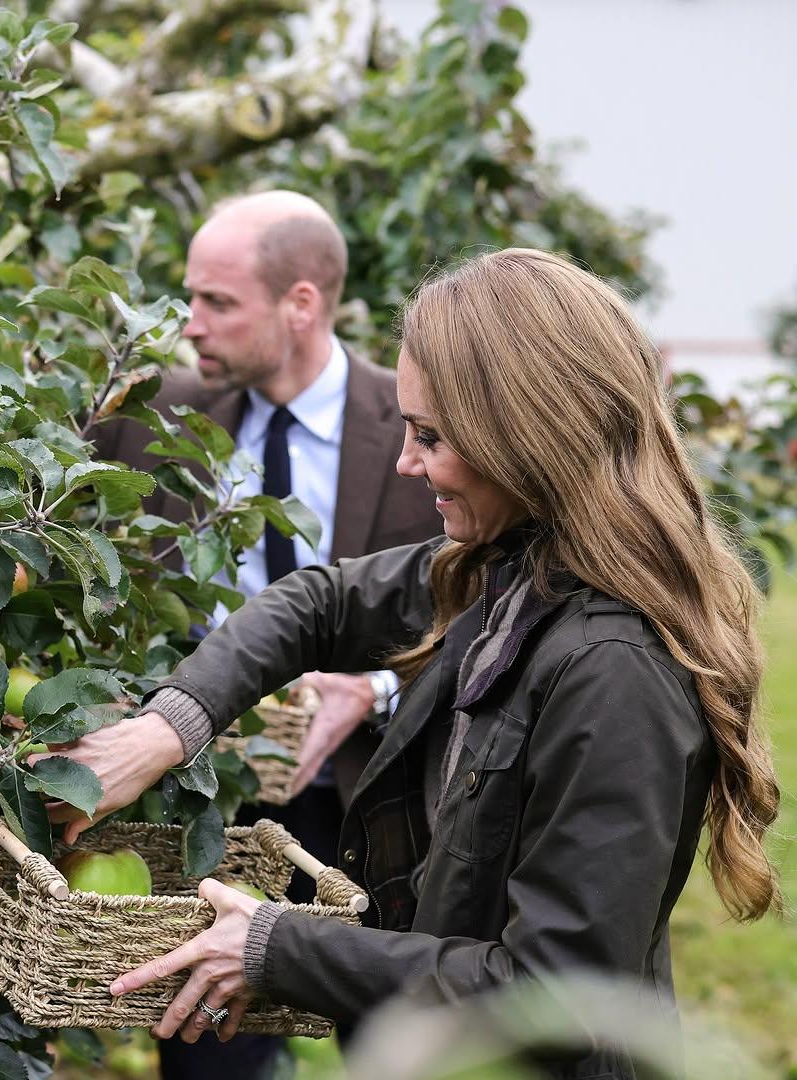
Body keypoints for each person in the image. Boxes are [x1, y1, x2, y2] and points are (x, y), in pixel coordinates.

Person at [40, 248, 781, 1080]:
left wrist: (280, 945)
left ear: (526, 434)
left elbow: (555, 996)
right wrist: (168, 729)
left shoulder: (614, 673)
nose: (405, 461)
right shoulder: (514, 570)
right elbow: (320, 602)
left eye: (430, 436)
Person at [89, 189, 442, 1077]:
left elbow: (474, 610)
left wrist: (376, 688)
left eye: (217, 302)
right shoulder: (159, 416)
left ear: (301, 305)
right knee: (214, 1054)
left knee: (405, 1043)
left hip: (372, 792)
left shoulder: (415, 426)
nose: (191, 326)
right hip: (214, 786)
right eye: (188, 298)